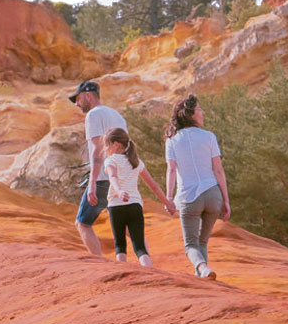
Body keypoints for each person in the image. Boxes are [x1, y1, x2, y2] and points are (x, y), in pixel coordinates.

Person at [163, 94, 228, 280]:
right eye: (199, 109)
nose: (203, 112)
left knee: (191, 245)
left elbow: (172, 170)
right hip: (213, 195)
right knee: (202, 241)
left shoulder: (172, 141)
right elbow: (218, 170)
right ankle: (203, 278)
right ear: (190, 114)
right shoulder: (209, 136)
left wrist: (169, 197)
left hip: (189, 197)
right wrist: (226, 200)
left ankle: (203, 268)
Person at [69, 80, 129, 256]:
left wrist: (93, 183)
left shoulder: (93, 115)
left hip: (103, 178)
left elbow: (97, 148)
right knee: (126, 225)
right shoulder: (117, 116)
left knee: (83, 223)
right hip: (122, 176)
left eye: (78, 99)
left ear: (88, 95)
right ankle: (146, 261)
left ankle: (100, 264)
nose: (77, 104)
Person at [102, 127, 175, 267]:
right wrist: (167, 202)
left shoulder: (111, 160)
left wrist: (119, 191)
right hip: (135, 205)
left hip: (116, 205)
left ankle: (122, 273)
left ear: (115, 144)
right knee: (139, 244)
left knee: (120, 244)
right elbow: (153, 185)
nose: (105, 148)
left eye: (106, 145)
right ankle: (149, 270)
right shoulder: (136, 161)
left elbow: (113, 177)